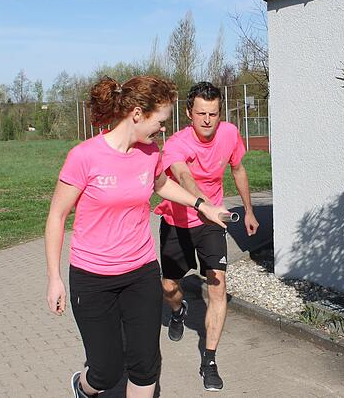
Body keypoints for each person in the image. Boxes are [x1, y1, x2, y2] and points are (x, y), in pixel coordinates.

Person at [44, 76, 230, 398]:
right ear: (136, 114)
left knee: (145, 368)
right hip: (92, 278)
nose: (162, 129)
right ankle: (82, 386)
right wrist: (54, 278)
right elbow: (56, 218)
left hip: (140, 272)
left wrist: (203, 206)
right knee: (106, 371)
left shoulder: (149, 152)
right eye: (160, 121)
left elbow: (160, 185)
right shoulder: (85, 156)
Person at [154, 82, 259, 392]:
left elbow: (238, 169)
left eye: (213, 113)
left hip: (212, 223)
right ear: (189, 113)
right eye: (201, 113)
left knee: (218, 285)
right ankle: (178, 310)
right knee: (169, 286)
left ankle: (209, 360)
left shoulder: (229, 134)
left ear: (220, 113)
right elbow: (183, 176)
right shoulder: (175, 143)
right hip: (178, 221)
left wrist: (249, 211)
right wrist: (203, 204)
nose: (207, 120)